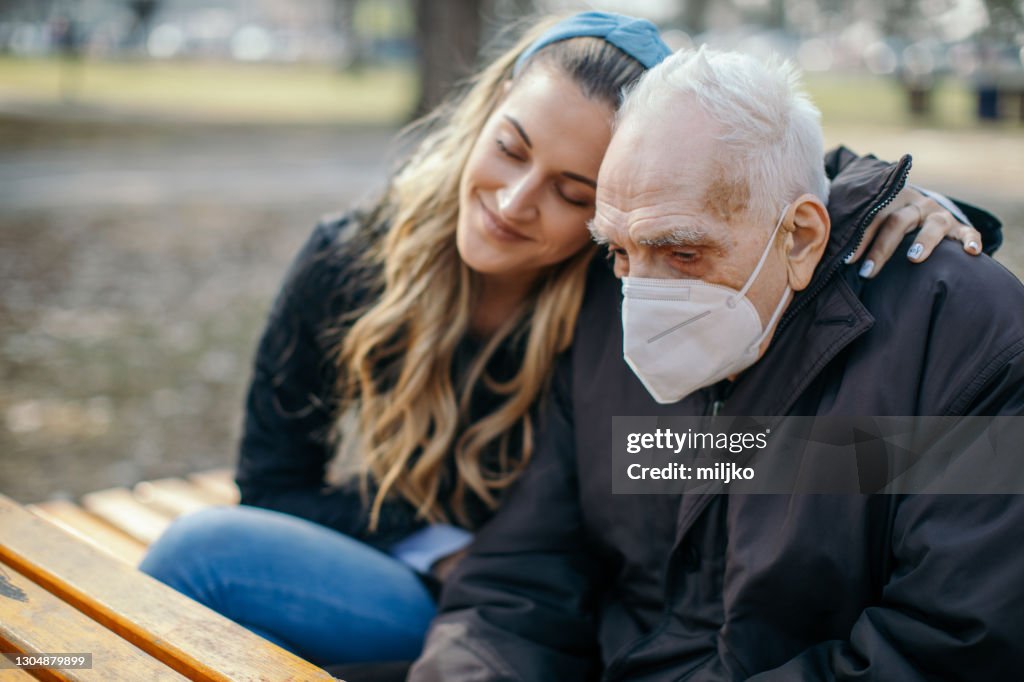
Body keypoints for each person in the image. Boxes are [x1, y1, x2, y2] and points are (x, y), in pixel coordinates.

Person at [140, 14, 987, 671]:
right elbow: (275, 479)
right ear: (485, 113)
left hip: (542, 598)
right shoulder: (350, 263)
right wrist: (434, 540)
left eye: (574, 192)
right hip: (461, 575)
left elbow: (765, 174)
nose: (513, 203)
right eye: (510, 148)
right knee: (202, 552)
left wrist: (907, 199)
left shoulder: (623, 292)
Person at [410, 48, 1024, 680]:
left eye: (679, 253)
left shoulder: (961, 343)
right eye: (619, 250)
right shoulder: (599, 319)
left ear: (801, 238)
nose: (641, 298)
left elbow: (956, 646)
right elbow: (523, 575)